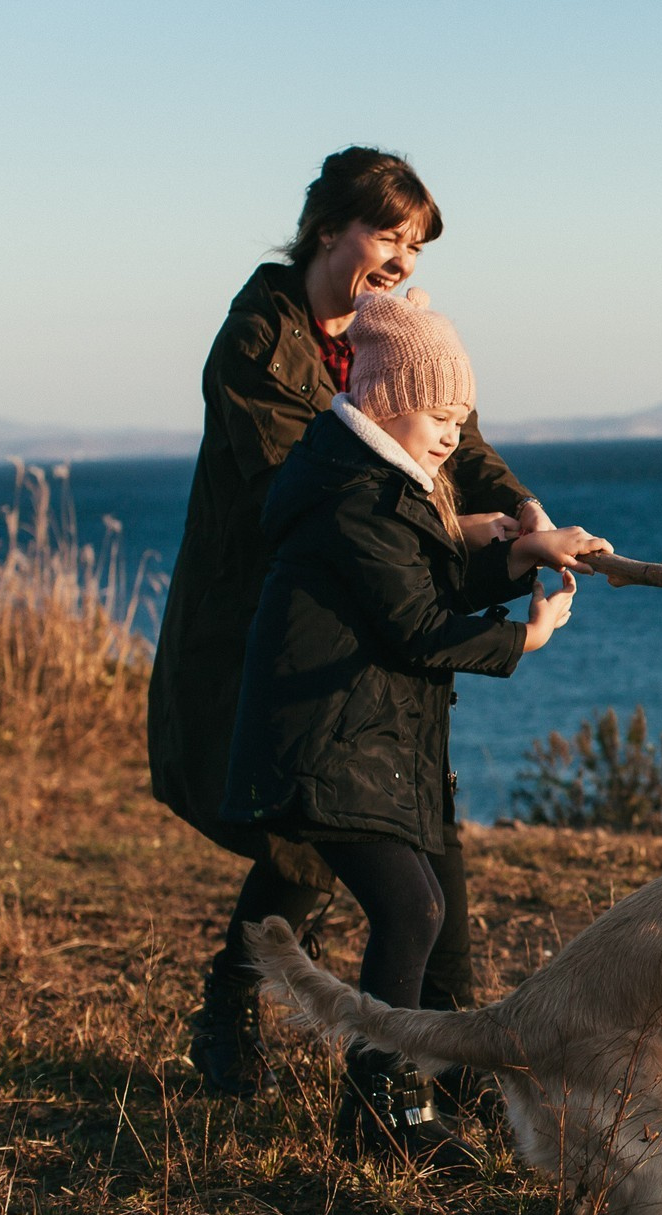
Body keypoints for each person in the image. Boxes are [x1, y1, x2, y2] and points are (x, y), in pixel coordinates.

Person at [148, 148, 560, 1102]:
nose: (403, 258)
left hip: (367, 610)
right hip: (268, 618)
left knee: (397, 825)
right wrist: (466, 535)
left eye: (415, 243)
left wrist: (527, 514)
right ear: (327, 227)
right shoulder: (258, 339)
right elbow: (311, 493)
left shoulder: (396, 332)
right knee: (314, 829)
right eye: (388, 234)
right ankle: (240, 1007)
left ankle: (437, 1051)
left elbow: (456, 431)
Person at [221, 286, 610, 1162]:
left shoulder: (375, 483)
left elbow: (422, 592)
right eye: (440, 414)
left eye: (461, 415)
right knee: (413, 907)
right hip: (328, 747)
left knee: (426, 905)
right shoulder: (354, 497)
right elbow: (420, 626)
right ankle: (382, 1110)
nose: (451, 434)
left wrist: (520, 555)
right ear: (389, 401)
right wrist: (528, 635)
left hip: (361, 740)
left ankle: (393, 1101)